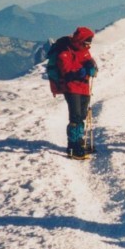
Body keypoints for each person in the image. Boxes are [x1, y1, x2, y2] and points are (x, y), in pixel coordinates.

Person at [56, 27, 98, 159]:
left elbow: (89, 62)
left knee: (81, 116)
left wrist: (92, 66)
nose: (89, 45)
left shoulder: (84, 51)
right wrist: (82, 71)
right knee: (75, 117)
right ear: (80, 41)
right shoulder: (65, 52)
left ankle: (78, 141)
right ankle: (72, 146)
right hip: (72, 88)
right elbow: (66, 71)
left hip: (84, 88)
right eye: (87, 42)